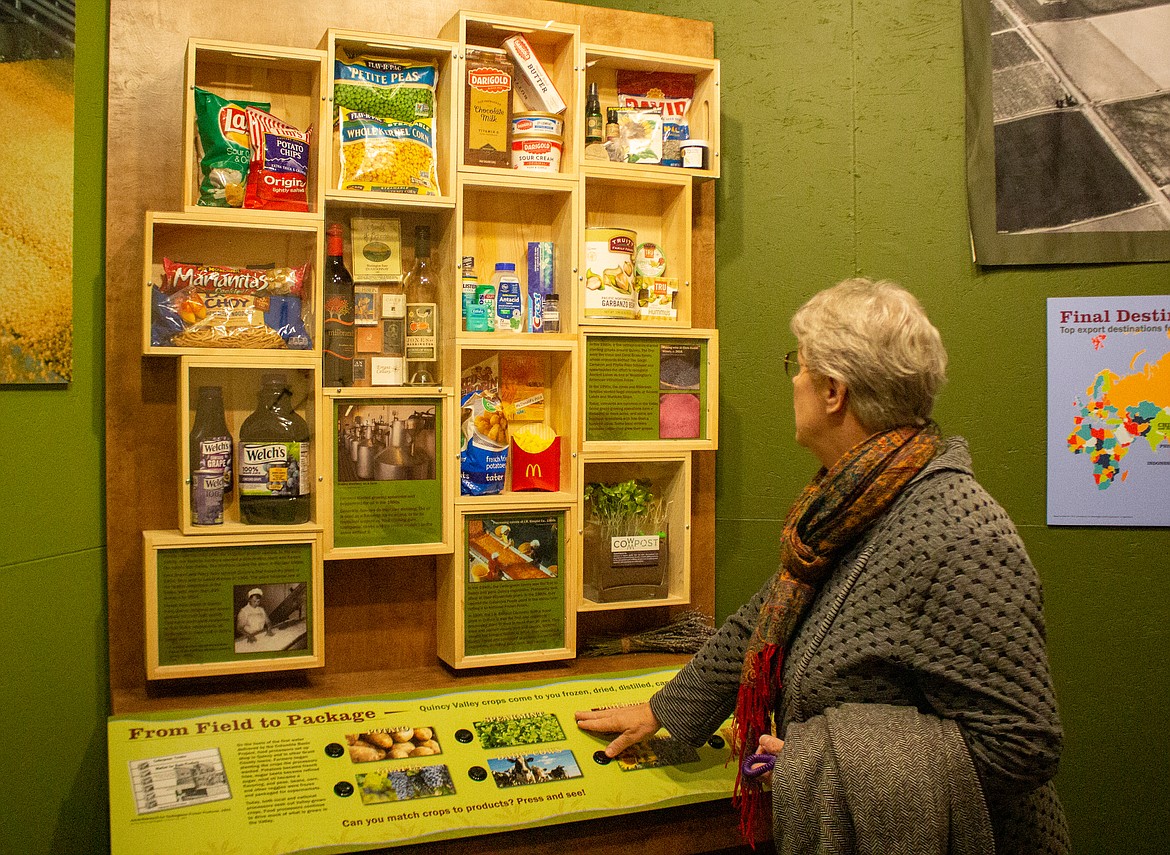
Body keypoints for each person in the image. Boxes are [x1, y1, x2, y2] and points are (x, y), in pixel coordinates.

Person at [575, 278, 1068, 854]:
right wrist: (665, 712)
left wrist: (819, 764)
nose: (794, 381)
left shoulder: (957, 533)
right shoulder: (857, 499)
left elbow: (1020, 744)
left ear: (834, 391)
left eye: (799, 365)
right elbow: (767, 619)